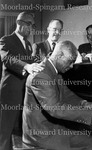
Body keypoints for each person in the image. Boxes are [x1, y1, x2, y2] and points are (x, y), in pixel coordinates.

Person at [23, 40, 92, 150]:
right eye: (70, 61)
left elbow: (67, 95)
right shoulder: (41, 75)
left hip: (54, 128)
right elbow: (55, 109)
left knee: (89, 142)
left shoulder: (53, 71)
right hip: (41, 134)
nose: (72, 66)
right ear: (59, 56)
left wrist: (86, 103)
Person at [0, 12, 43, 150]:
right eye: (29, 24)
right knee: (5, 131)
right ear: (19, 23)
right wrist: (26, 66)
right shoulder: (6, 40)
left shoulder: (28, 44)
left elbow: (30, 60)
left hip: (24, 92)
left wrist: (43, 61)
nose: (32, 28)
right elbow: (8, 59)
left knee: (21, 129)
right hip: (10, 93)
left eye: (33, 25)